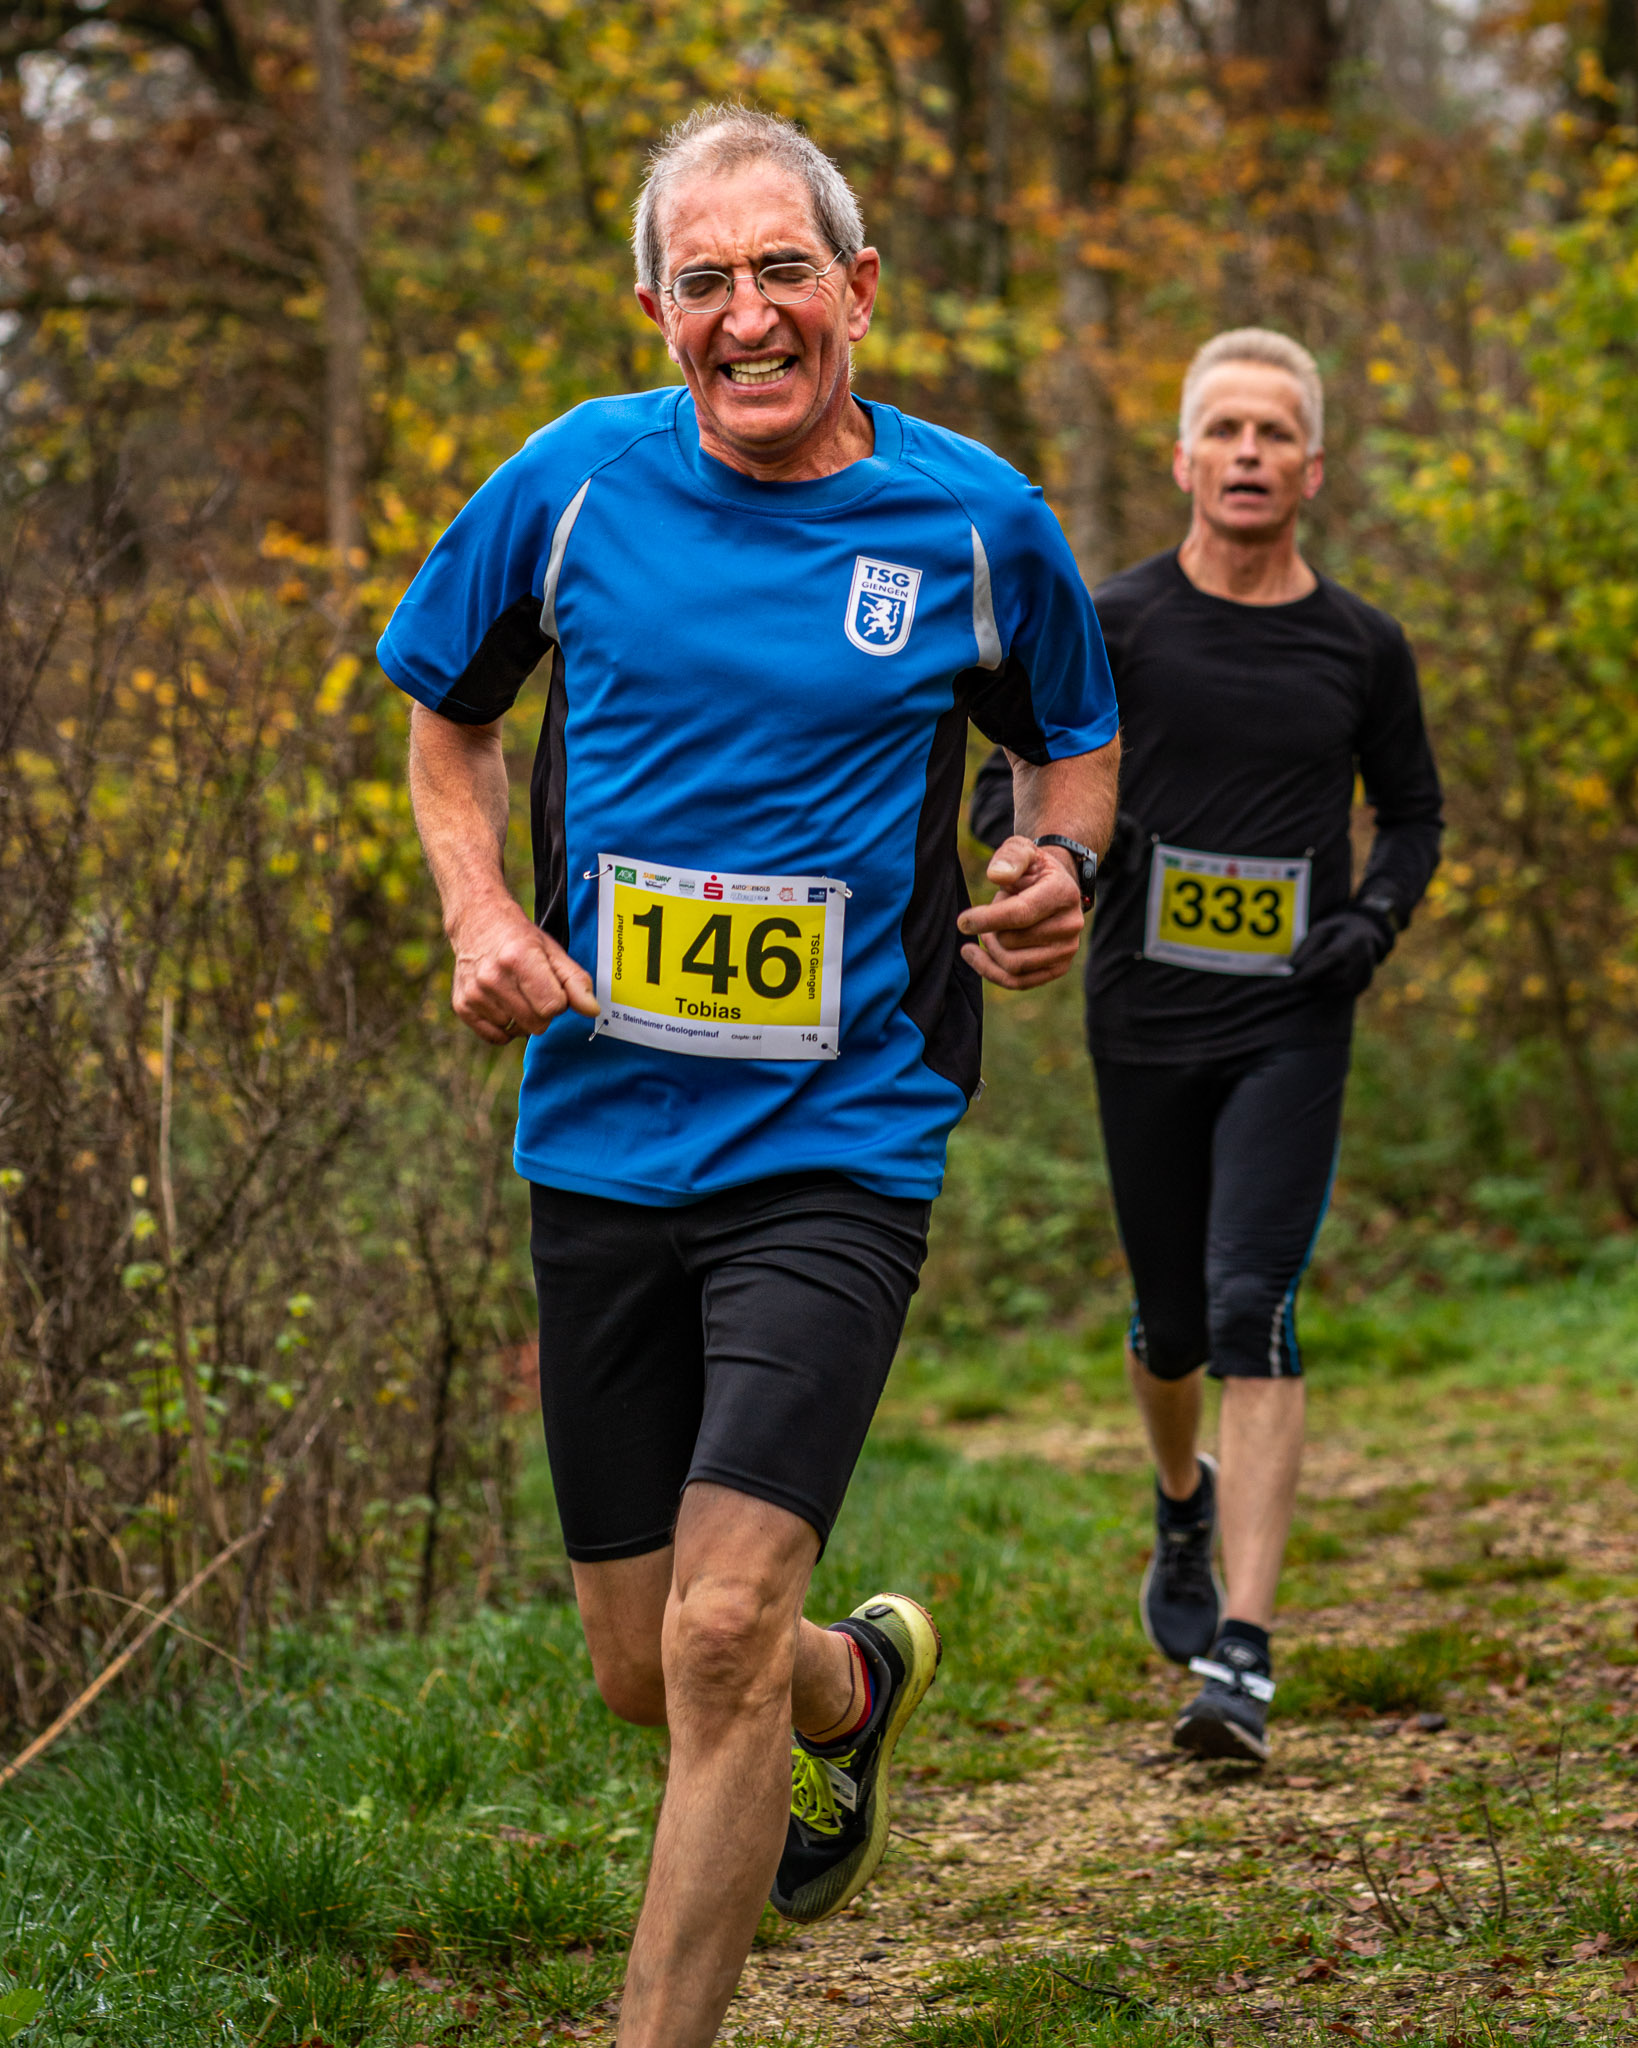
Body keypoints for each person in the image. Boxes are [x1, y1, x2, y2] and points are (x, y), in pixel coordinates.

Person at [379, 106, 1119, 2048]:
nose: (748, 314)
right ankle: (850, 1693)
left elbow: (1069, 739)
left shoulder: (975, 523)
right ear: (655, 311)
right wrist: (477, 912)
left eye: (784, 269)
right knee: (644, 1663)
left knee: (717, 1636)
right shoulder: (568, 486)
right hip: (601, 1132)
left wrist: (1060, 864)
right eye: (702, 281)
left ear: (857, 289)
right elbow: (447, 725)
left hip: (842, 1137)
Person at [972, 329, 1442, 1766]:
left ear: (1312, 467)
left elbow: (1413, 815)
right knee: (1171, 1324)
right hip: (1144, 1017)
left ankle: (1242, 1653)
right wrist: (1044, 856)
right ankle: (1182, 1498)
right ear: (1182, 460)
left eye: (1273, 432)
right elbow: (1014, 780)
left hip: (1292, 1020)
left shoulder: (1361, 645)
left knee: (1254, 1308)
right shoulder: (1112, 625)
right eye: (1223, 430)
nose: (1248, 452)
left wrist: (1368, 923)